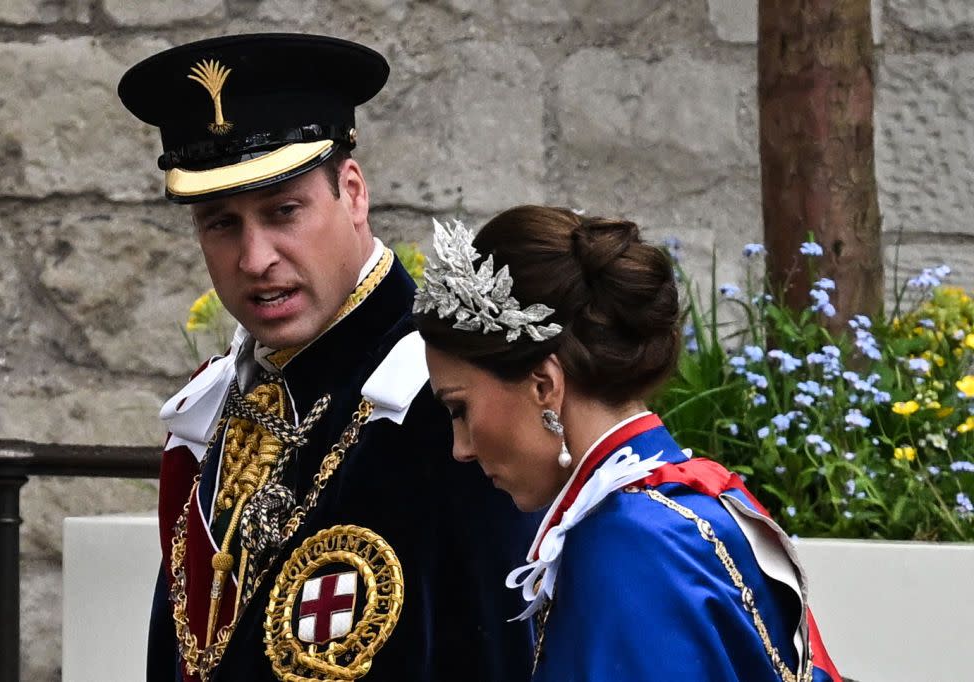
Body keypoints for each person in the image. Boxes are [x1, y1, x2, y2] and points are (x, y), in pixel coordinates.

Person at [117, 34, 538, 682]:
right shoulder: (225, 398)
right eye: (221, 223)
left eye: (284, 212)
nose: (255, 259)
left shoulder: (450, 396)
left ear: (353, 191)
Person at [413, 206, 842, 682]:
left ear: (543, 386)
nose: (461, 448)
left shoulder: (625, 547)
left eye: (459, 409)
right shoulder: (686, 500)